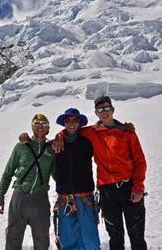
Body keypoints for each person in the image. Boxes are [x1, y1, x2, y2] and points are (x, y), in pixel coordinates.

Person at [56, 96, 147, 250]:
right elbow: (71, 130)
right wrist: (60, 136)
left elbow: (140, 161)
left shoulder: (127, 132)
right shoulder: (92, 132)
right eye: (100, 109)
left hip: (128, 187)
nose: (104, 112)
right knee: (115, 235)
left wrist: (138, 187)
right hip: (107, 190)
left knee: (136, 234)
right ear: (96, 113)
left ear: (112, 110)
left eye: (106, 108)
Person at [0, 113, 56, 250]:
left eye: (43, 124)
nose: (40, 126)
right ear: (32, 127)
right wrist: (0, 196)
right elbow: (8, 173)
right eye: (37, 123)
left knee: (42, 240)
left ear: (48, 128)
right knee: (13, 237)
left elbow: (58, 176)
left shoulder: (52, 150)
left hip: (40, 198)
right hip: (20, 197)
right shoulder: (21, 146)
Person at [53, 108, 101, 249]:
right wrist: (59, 136)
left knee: (90, 238)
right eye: (68, 120)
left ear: (80, 123)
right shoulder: (56, 144)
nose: (71, 123)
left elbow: (104, 130)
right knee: (68, 239)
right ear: (64, 123)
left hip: (85, 197)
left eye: (75, 120)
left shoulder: (87, 142)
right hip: (64, 199)